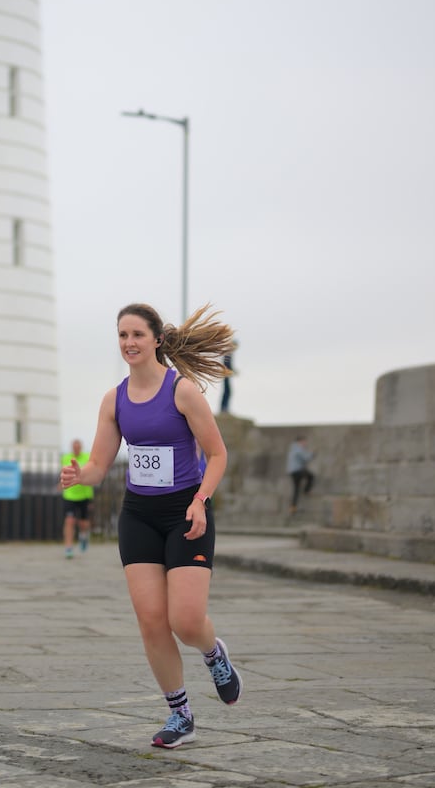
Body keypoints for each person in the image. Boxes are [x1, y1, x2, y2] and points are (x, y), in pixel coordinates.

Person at [60, 301, 242, 750]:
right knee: (151, 621)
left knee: (184, 619)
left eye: (137, 334)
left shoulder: (183, 392)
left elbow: (217, 454)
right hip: (139, 515)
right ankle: (180, 713)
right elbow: (100, 464)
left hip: (186, 512)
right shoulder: (114, 399)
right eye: (122, 335)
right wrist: (79, 474)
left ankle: (213, 652)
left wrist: (201, 501)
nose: (129, 343)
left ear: (157, 340)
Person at [60, 438, 93, 557]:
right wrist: (61, 484)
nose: (76, 448)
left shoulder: (87, 457)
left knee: (83, 523)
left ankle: (83, 536)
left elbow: (92, 473)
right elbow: (63, 473)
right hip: (69, 495)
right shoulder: (65, 457)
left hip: (85, 494)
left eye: (78, 446)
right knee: (69, 521)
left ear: (81, 447)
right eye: (74, 446)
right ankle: (68, 547)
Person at [286, 435, 315, 513]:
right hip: (297, 470)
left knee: (296, 489)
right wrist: (312, 454)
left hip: (292, 471)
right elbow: (305, 458)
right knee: (311, 476)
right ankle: (306, 490)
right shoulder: (298, 448)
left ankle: (293, 506)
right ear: (300, 441)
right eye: (304, 442)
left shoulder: (293, 448)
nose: (305, 444)